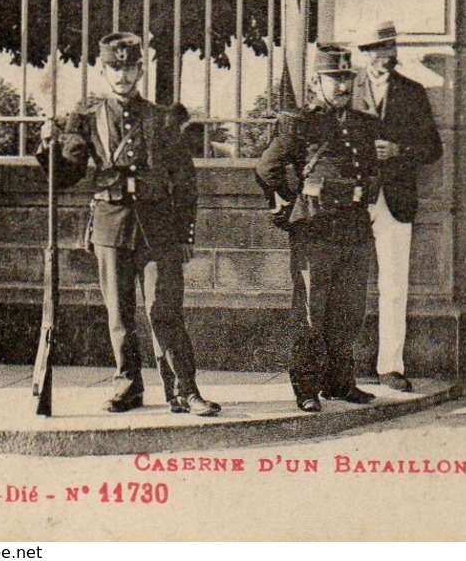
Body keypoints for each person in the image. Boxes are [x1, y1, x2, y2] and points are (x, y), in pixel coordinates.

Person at [37, 32, 219, 416]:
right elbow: (67, 173)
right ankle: (128, 387)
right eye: (114, 67)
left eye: (129, 67)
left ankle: (184, 390)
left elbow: (184, 181)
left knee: (164, 309)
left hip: (158, 227)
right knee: (119, 314)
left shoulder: (163, 119)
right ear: (103, 71)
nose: (122, 74)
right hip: (110, 225)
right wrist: (48, 146)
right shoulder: (86, 118)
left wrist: (186, 232)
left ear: (140, 70)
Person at [255, 43, 381, 413]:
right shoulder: (300, 123)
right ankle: (306, 387)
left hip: (355, 229)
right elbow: (266, 168)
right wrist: (298, 194)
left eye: (347, 78)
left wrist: (365, 189)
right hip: (316, 230)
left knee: (348, 312)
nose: (343, 86)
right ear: (315, 81)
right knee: (311, 313)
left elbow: (371, 169)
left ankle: (340, 383)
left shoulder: (362, 124)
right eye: (334, 79)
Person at [352, 21, 444, 392]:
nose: (384, 53)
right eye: (376, 47)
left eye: (389, 45)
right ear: (364, 52)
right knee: (348, 282)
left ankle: (390, 366)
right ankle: (344, 364)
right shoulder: (348, 87)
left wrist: (399, 151)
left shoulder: (412, 92)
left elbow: (433, 148)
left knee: (393, 285)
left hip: (396, 199)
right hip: (354, 199)